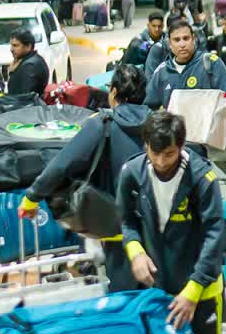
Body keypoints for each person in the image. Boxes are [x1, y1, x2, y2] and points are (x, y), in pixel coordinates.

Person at [118, 111, 226, 334]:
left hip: (200, 293)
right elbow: (127, 221)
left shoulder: (202, 178)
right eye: (153, 153)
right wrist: (136, 252)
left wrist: (194, 290)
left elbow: (215, 235)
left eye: (168, 154)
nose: (160, 161)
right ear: (145, 145)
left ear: (180, 146)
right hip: (159, 294)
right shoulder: (132, 173)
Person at [20, 65, 150, 293]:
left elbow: (62, 165)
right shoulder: (160, 123)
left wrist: (31, 197)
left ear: (113, 92)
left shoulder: (103, 124)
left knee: (125, 304)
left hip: (120, 230)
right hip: (160, 227)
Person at [144, 18, 226, 110]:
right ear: (170, 44)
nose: (182, 44)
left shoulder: (211, 63)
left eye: (186, 38)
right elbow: (149, 107)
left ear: (193, 39)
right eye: (177, 40)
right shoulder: (162, 71)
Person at [6, 28, 49, 96]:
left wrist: (13, 73)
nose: (11, 49)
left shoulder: (30, 66)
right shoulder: (34, 59)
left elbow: (25, 97)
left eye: (15, 45)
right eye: (11, 45)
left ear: (28, 46)